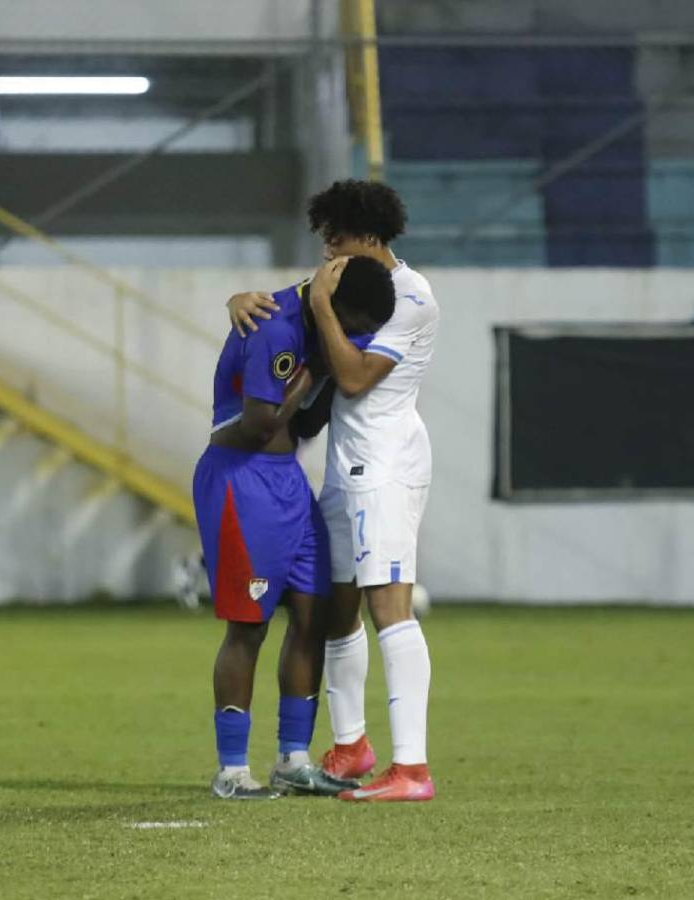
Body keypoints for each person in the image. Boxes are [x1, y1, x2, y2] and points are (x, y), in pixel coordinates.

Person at [227, 179, 439, 802]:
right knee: (334, 609)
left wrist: (321, 309)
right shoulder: (348, 285)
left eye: (336, 237)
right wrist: (241, 300)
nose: (327, 250)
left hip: (386, 467)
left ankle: (412, 769)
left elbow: (350, 377)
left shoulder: (411, 296)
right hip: (345, 469)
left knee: (388, 609)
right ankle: (351, 747)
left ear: (369, 235)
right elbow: (287, 313)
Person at [196, 255, 395, 800]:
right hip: (242, 480)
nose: (352, 337)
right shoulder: (275, 326)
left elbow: (302, 422)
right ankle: (232, 771)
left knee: (314, 612)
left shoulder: (309, 326)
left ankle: (293, 759)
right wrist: (324, 363)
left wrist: (328, 365)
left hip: (287, 480)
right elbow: (260, 424)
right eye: (352, 325)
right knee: (250, 625)